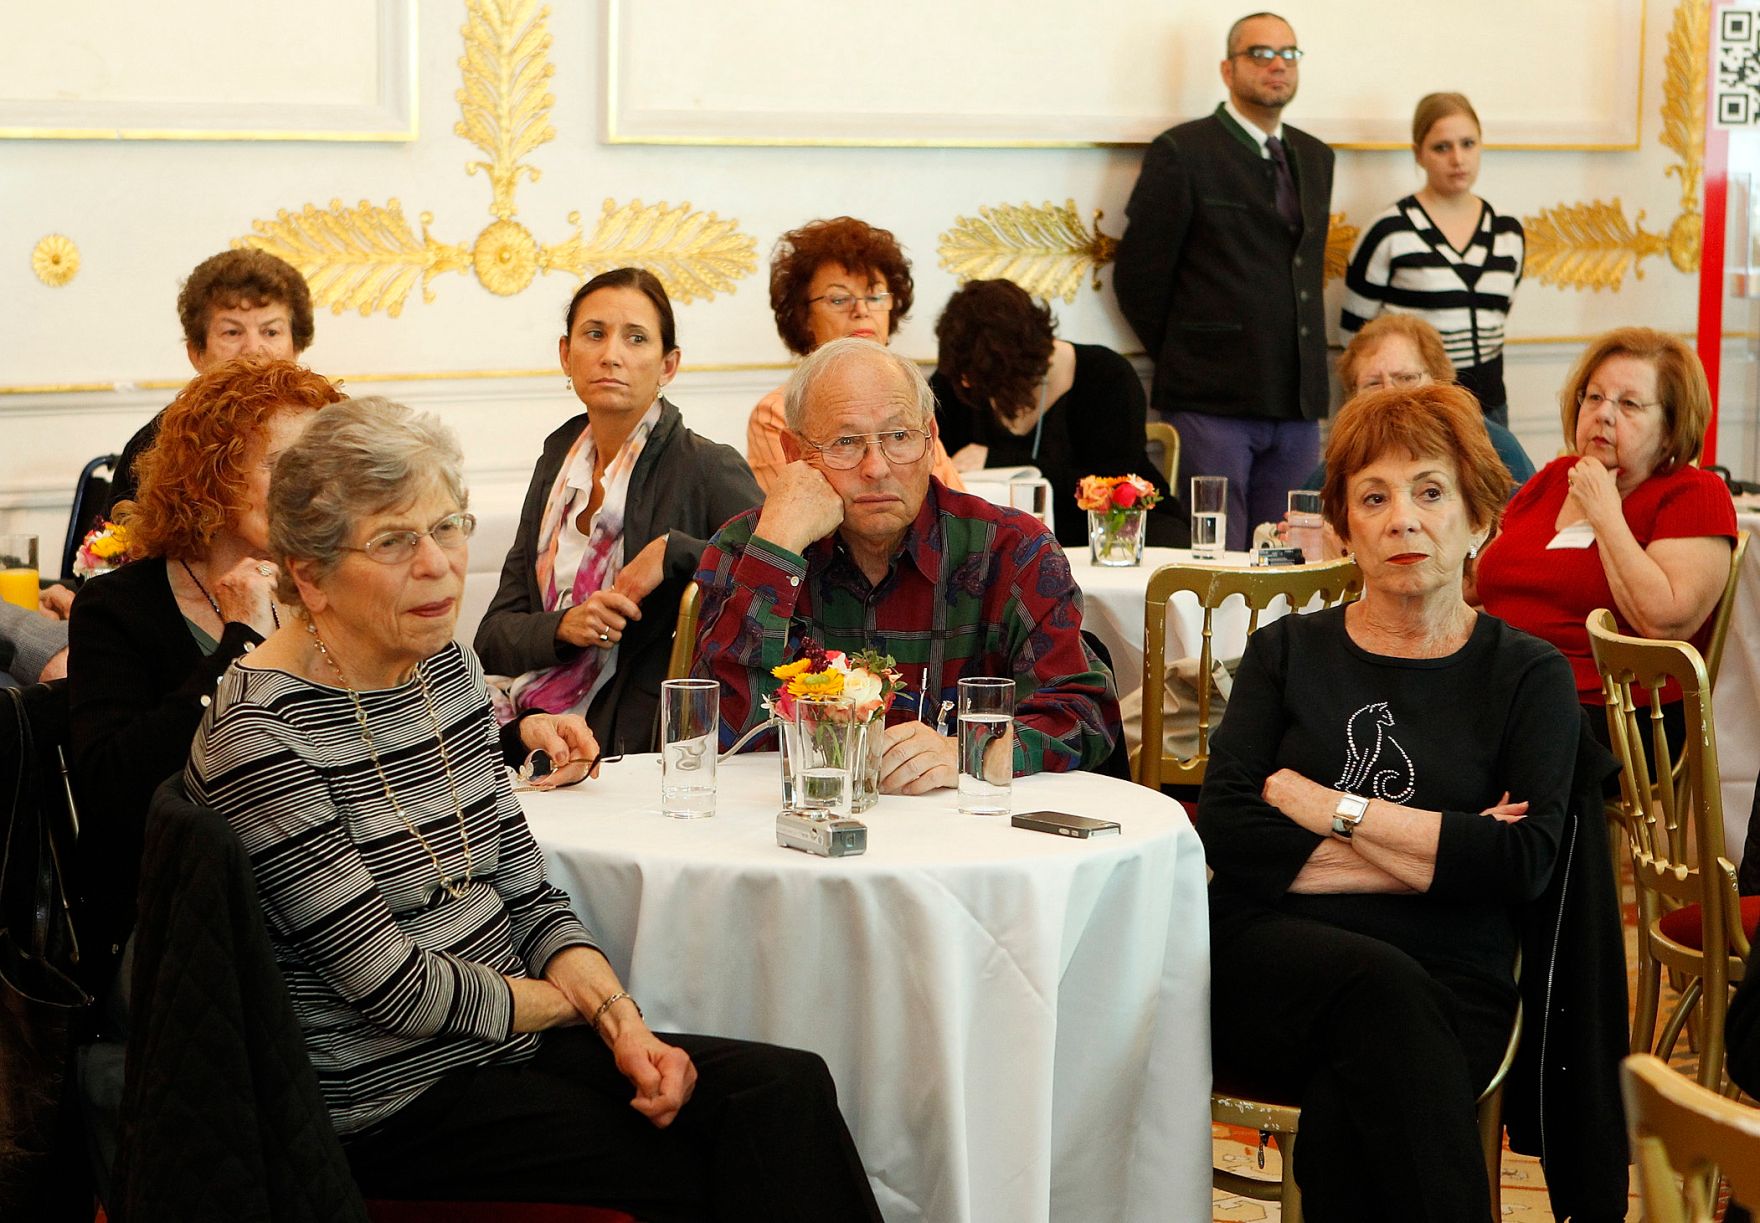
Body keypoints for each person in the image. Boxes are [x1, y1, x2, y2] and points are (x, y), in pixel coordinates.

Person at [185, 397, 882, 1221]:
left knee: (784, 1087)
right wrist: (593, 1005)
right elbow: (397, 990)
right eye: (393, 541)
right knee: (716, 1154)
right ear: (309, 575)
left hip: (507, 1043)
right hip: (392, 1099)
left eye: (448, 526)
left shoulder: (439, 665)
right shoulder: (260, 736)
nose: (440, 565)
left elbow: (527, 892)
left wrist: (624, 1028)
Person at [1198, 381, 1580, 1221]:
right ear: (1343, 526)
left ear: (1482, 518)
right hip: (1267, 965)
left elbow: (1521, 861)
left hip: (1454, 978)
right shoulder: (1286, 651)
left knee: (1357, 1086)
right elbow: (1228, 825)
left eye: (1431, 492)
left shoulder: (1529, 676)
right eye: (1375, 497)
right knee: (1380, 995)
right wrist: (1445, 854)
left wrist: (1330, 807)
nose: (1404, 518)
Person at [695, 337, 1120, 790]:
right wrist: (778, 549)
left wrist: (971, 751)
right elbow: (720, 733)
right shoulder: (747, 548)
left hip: (967, 843)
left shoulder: (1010, 549)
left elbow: (1085, 713)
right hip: (796, 833)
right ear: (795, 454)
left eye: (899, 437)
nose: (877, 467)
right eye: (846, 442)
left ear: (931, 439)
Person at [474, 268, 762, 756]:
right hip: (529, 720)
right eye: (594, 334)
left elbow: (783, 574)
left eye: (636, 338)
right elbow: (493, 637)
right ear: (566, 355)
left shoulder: (706, 466)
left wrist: (676, 553)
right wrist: (564, 626)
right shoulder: (558, 464)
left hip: (639, 740)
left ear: (668, 365)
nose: (611, 355)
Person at [1112, 10, 1333, 551]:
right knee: (1219, 562)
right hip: (1210, 402)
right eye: (1260, 53)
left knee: (1292, 562)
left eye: (1288, 54)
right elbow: (1138, 278)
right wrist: (1190, 354)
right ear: (1227, 69)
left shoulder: (1315, 156)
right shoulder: (1183, 152)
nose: (1277, 65)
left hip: (1298, 401)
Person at [1475, 327, 1737, 730]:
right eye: (1594, 397)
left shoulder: (1694, 494)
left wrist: (1605, 513)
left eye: (1629, 404)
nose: (1604, 413)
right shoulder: (1555, 477)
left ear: (1669, 430)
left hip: (1617, 713)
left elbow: (1663, 620)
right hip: (1508, 688)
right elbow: (1483, 581)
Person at [928, 278, 1187, 549]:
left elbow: (1109, 485)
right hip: (999, 538)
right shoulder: (958, 378)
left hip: (1104, 527)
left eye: (986, 381)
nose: (969, 387)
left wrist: (997, 461)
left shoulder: (1106, 375)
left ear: (1023, 363)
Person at [1341, 93, 1525, 426]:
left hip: (1491, 410)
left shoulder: (1507, 232)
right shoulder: (1389, 232)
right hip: (1415, 413)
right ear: (1419, 154)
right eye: (1442, 147)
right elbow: (1354, 342)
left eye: (1468, 144)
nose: (1458, 159)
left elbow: (1498, 315)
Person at [746, 216, 963, 493]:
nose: (862, 311)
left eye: (874, 297)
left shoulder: (911, 407)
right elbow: (805, 515)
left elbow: (954, 506)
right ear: (804, 318)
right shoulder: (777, 412)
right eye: (839, 299)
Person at [106, 248, 316, 512]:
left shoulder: (326, 434)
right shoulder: (156, 446)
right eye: (232, 332)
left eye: (271, 332)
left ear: (296, 348)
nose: (253, 349)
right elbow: (122, 549)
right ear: (197, 354)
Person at [1302, 314, 1535, 497]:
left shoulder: (1495, 447)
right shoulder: (1345, 457)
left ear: (1440, 380)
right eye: (1373, 383)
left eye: (1405, 378)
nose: (1389, 393)